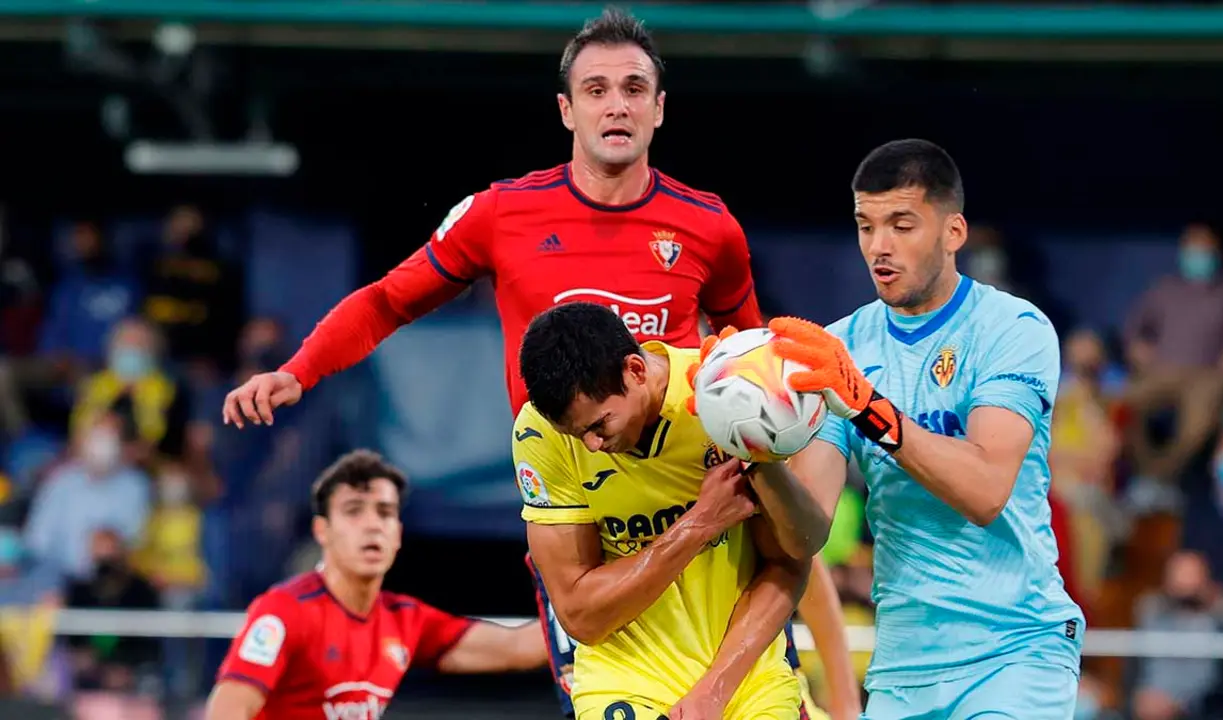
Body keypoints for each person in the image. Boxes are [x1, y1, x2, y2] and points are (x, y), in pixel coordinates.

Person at [219, 7, 861, 719]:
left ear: (659, 108)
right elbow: (388, 301)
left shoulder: (707, 225)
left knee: (775, 606)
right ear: (565, 109)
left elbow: (754, 364)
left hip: (695, 493)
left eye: (633, 88)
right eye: (595, 89)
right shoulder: (501, 214)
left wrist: (796, 433)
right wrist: (298, 371)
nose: (615, 104)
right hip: (575, 495)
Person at [693, 139, 1085, 718]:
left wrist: (866, 406)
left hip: (1017, 651)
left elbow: (983, 492)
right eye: (866, 225)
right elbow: (806, 534)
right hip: (904, 666)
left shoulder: (1015, 329)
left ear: (954, 232)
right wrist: (754, 437)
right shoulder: (840, 346)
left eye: (902, 225)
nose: (880, 247)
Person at [515, 302, 807, 720]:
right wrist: (698, 523)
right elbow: (581, 615)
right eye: (576, 435)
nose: (592, 447)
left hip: (748, 679)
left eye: (599, 426)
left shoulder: (725, 394)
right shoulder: (539, 433)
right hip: (624, 679)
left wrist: (714, 692)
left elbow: (793, 558)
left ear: (635, 371)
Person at [205, 450, 547, 719]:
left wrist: (590, 618)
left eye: (384, 512)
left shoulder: (405, 620)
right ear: (322, 531)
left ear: (398, 533)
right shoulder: (284, 611)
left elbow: (514, 647)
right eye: (354, 511)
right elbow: (228, 710)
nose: (372, 525)